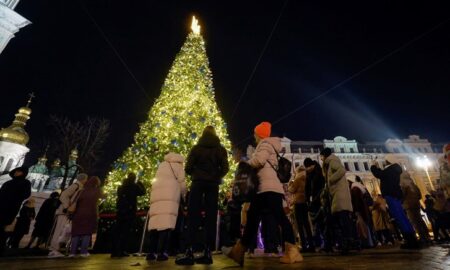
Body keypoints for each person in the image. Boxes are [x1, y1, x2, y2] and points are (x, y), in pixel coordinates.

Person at [225, 122, 303, 266]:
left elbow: (259, 161)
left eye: (255, 133)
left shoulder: (265, 144)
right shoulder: (267, 144)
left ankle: (292, 251)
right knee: (253, 219)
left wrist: (245, 164)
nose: (254, 136)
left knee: (278, 217)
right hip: (263, 188)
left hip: (268, 188)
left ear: (259, 134)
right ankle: (239, 250)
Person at [175, 126, 229, 265]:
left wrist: (196, 174)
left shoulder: (196, 148)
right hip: (212, 185)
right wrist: (216, 176)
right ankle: (207, 252)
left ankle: (189, 251)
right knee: (211, 217)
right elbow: (225, 168)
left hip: (197, 184)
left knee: (193, 216)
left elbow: (188, 168)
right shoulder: (220, 149)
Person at [370, 155, 420, 249]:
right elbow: (383, 174)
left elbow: (379, 174)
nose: (384, 162)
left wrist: (373, 166)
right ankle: (412, 238)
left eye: (385, 161)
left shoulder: (391, 169)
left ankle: (410, 240)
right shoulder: (395, 169)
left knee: (399, 217)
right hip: (396, 195)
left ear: (389, 161)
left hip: (391, 195)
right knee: (403, 217)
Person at [147, 152, 186, 261]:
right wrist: (184, 195)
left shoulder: (162, 165)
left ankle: (150, 252)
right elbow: (182, 185)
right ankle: (161, 252)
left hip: (157, 196)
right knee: (166, 225)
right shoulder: (179, 166)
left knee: (155, 224)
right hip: (170, 197)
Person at [320, 148, 354, 254]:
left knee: (343, 220)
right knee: (338, 221)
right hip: (336, 195)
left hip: (340, 195)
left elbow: (342, 170)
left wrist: (330, 180)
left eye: (321, 156)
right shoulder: (328, 164)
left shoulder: (332, 161)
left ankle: (347, 244)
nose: (321, 158)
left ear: (324, 156)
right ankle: (342, 244)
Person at [48, 173, 88, 258]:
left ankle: (55, 249)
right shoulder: (76, 185)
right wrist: (67, 207)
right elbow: (64, 195)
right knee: (60, 230)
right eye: (86, 179)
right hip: (64, 211)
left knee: (63, 231)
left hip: (66, 211)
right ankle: (53, 250)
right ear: (83, 179)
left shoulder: (78, 186)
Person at [111, 173, 145, 258]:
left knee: (118, 231)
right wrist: (140, 183)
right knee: (125, 232)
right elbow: (142, 192)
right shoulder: (134, 186)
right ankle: (122, 250)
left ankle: (115, 251)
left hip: (120, 212)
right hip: (129, 212)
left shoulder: (121, 187)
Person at [0, 166, 31, 255]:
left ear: (23, 173)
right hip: (2, 206)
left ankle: (1, 246)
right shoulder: (8, 182)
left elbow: (26, 194)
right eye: (16, 171)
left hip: (11, 208)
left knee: (4, 227)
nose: (16, 173)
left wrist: (15, 198)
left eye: (19, 171)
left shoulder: (25, 183)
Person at [69, 176, 103, 257]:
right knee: (87, 233)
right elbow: (103, 197)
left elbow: (75, 201)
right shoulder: (97, 191)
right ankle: (83, 252)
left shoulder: (81, 190)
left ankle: (72, 252)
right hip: (91, 214)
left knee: (76, 233)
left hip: (79, 214)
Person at [289, 166, 315, 252]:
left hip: (298, 203)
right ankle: (311, 245)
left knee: (300, 225)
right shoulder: (306, 179)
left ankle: (304, 245)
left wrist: (290, 184)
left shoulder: (298, 179)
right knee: (307, 225)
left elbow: (291, 190)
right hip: (305, 203)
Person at [400, 171, 430, 244]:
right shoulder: (413, 184)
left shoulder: (403, 184)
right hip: (416, 203)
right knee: (420, 220)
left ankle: (422, 237)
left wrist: (402, 201)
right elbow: (419, 195)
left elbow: (402, 194)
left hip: (409, 204)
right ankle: (426, 236)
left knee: (414, 221)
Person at [303, 158, 325, 249]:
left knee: (321, 222)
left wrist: (311, 199)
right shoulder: (312, 172)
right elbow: (307, 189)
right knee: (316, 223)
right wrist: (308, 200)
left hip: (319, 200)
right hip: (314, 201)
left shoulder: (317, 172)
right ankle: (318, 242)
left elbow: (320, 186)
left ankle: (325, 242)